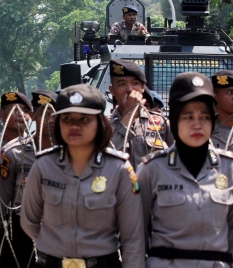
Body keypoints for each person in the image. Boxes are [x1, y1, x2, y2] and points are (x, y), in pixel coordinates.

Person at [21, 84, 145, 267]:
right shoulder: (44, 165)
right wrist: (55, 244)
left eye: (84, 119)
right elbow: (29, 220)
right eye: (67, 118)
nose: (74, 126)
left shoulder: (118, 169)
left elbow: (132, 236)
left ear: (100, 123)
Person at [138, 72, 233, 267]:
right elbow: (136, 233)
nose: (197, 124)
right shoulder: (151, 170)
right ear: (175, 119)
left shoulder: (230, 168)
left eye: (204, 117)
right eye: (188, 117)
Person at [0, 89, 57, 268]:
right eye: (44, 114)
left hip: (57, 223)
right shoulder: (14, 151)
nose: (50, 120)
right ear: (33, 116)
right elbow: (4, 196)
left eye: (54, 115)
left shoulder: (68, 153)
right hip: (22, 225)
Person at [108, 59, 173, 169]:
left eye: (135, 83)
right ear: (112, 90)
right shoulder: (103, 125)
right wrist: (129, 115)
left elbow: (175, 159)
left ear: (142, 88)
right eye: (122, 84)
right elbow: (104, 160)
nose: (129, 89)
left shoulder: (161, 123)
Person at [0, 92, 33, 160]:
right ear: (1, 114)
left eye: (26, 111)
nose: (21, 114)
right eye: (15, 110)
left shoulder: (35, 148)